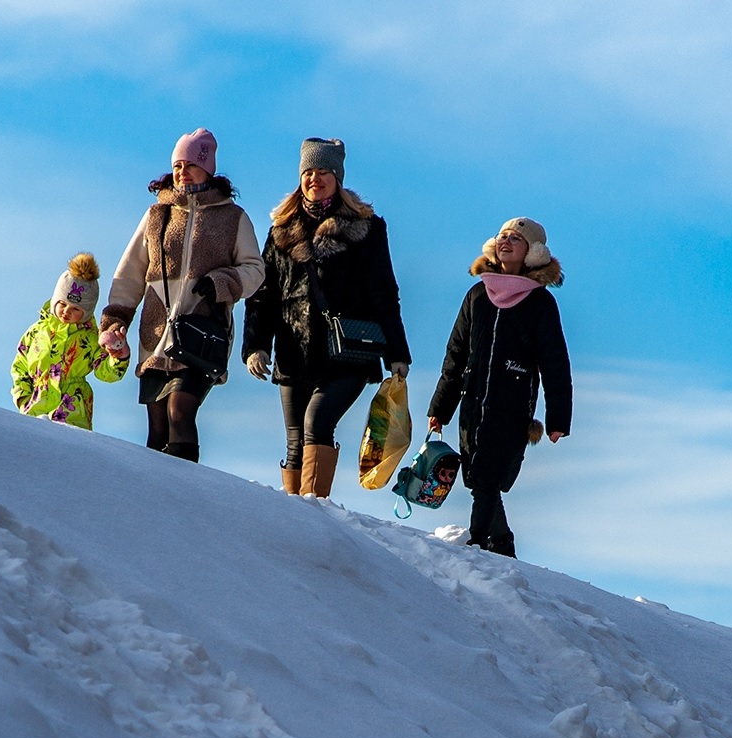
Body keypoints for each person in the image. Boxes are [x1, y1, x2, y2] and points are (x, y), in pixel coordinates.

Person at [242, 137, 411, 497]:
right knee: (293, 443)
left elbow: (384, 293)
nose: (314, 179)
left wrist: (397, 352)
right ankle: (293, 520)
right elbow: (262, 295)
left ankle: (314, 517)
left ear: (337, 177)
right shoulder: (280, 231)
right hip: (293, 351)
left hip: (346, 351)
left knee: (316, 424)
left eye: (323, 172)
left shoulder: (366, 228)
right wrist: (255, 346)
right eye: (308, 172)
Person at [100, 128, 264, 463]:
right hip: (155, 333)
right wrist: (116, 318)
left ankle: (187, 499)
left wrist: (223, 281)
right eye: (177, 165)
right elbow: (131, 271)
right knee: (157, 428)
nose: (182, 171)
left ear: (208, 168)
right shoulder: (156, 215)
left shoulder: (233, 217)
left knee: (180, 411)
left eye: (190, 164)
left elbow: (255, 270)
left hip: (201, 332)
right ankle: (153, 503)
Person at [427, 217, 572, 558]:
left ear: (532, 254)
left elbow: (555, 364)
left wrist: (558, 420)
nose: (506, 241)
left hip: (512, 406)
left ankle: (476, 548)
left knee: (488, 480)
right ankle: (502, 544)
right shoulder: (478, 294)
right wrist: (439, 408)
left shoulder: (540, 303)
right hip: (471, 403)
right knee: (477, 479)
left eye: (516, 239)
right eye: (502, 236)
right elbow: (455, 355)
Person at [11, 252, 130, 430]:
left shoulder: (90, 338)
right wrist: (23, 397)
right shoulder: (36, 332)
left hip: (72, 412)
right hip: (36, 407)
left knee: (67, 452)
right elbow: (20, 366)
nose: (66, 311)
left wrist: (117, 356)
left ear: (86, 312)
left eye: (75, 309)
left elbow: (105, 372)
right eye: (63, 304)